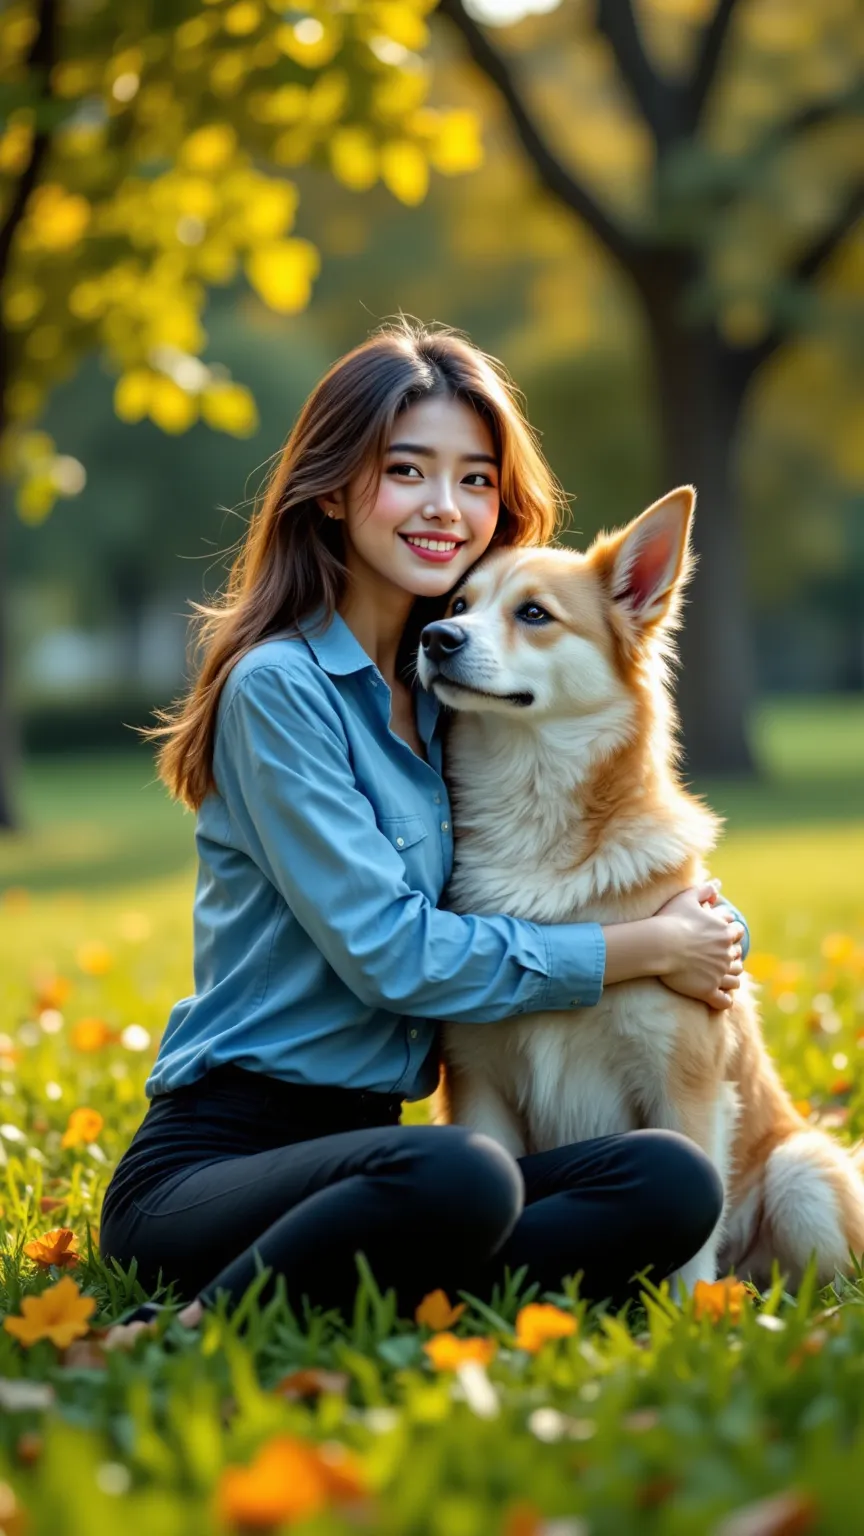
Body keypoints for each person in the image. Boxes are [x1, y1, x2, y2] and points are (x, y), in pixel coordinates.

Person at [99, 320, 748, 1341]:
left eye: (476, 479)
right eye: (407, 470)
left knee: (669, 1182)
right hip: (215, 1166)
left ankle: (394, 1294)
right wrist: (648, 948)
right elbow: (394, 959)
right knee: (457, 1174)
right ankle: (184, 1325)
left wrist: (698, 914)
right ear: (329, 486)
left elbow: (572, 818)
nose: (445, 507)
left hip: (376, 1164)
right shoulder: (283, 690)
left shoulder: (455, 693)